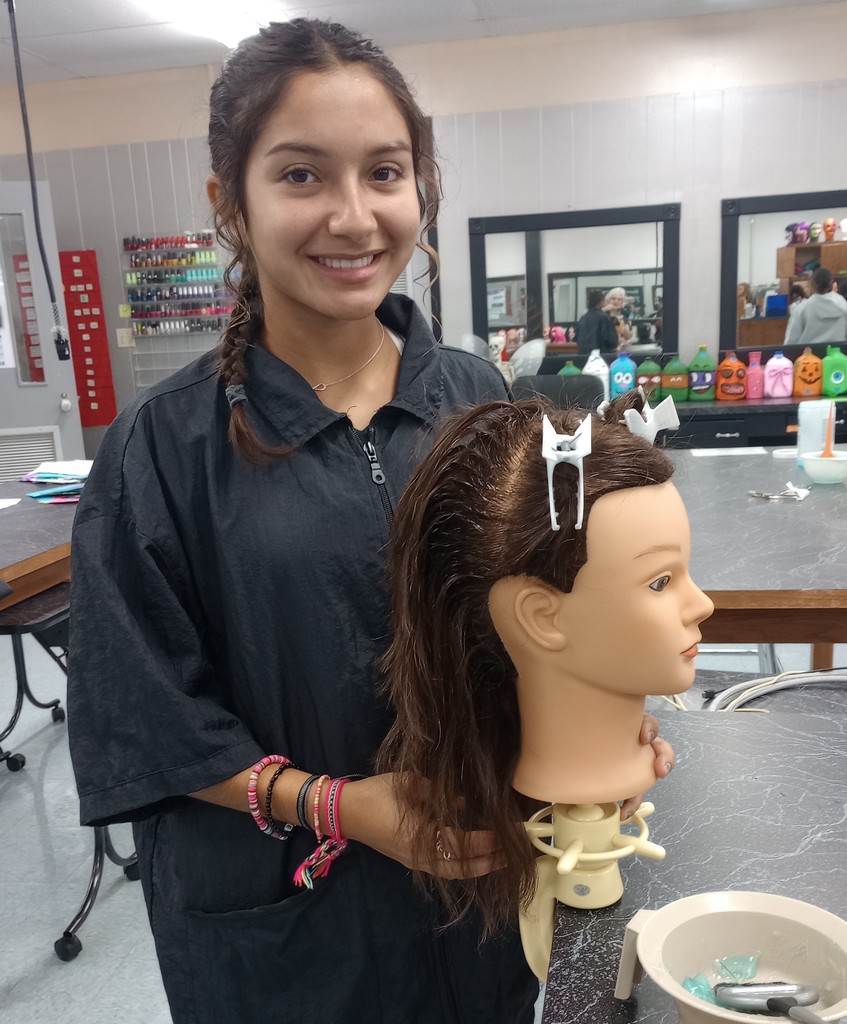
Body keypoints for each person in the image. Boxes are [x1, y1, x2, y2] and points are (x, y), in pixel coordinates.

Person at [68, 19, 673, 1024]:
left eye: (384, 173)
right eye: (301, 175)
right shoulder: (161, 448)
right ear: (229, 203)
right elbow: (142, 714)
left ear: (418, 188)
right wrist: (342, 805)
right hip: (283, 930)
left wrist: (602, 724)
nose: (352, 217)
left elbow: (550, 619)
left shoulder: (487, 405)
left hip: (474, 906)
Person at [377, 392, 699, 940]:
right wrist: (323, 805)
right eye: (661, 581)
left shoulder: (466, 385)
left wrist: (612, 726)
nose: (703, 604)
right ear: (542, 617)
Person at [786, 267, 847, 345]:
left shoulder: (802, 308)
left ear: (812, 284)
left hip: (809, 352)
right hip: (838, 351)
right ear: (831, 284)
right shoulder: (842, 304)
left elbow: (791, 341)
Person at [576, 287, 617, 354]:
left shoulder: (582, 318)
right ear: (601, 301)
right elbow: (612, 341)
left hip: (583, 357)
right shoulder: (604, 317)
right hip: (601, 356)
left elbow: (578, 339)